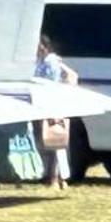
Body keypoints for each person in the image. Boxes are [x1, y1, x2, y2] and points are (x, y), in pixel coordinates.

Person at [33, 37, 77, 190]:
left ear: (44, 47)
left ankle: (55, 177)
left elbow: (48, 83)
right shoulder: (40, 61)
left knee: (54, 142)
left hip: (51, 105)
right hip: (45, 105)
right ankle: (55, 177)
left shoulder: (50, 62)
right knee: (49, 143)